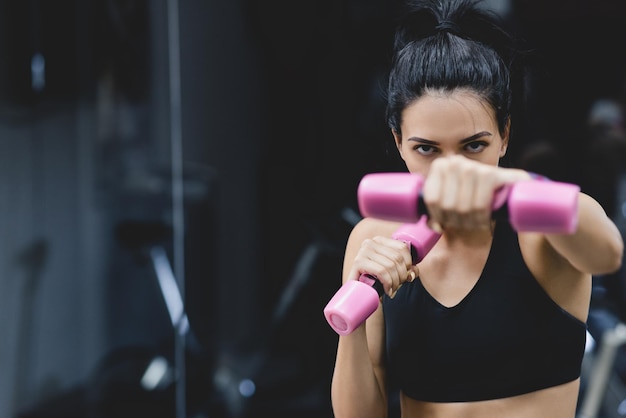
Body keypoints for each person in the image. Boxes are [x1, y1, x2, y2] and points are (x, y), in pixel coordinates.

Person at [329, 0, 624, 417]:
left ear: (504, 135)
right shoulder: (374, 238)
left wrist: (509, 186)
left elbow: (607, 252)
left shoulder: (541, 224)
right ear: (398, 142)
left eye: (473, 146)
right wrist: (355, 312)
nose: (452, 171)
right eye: (427, 149)